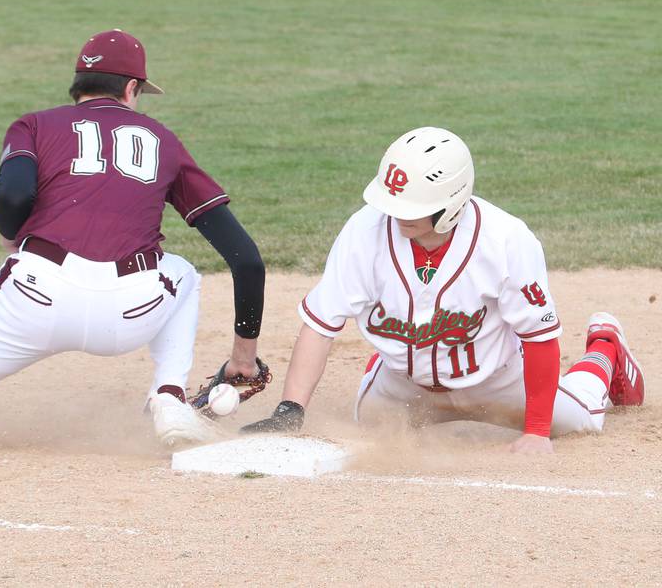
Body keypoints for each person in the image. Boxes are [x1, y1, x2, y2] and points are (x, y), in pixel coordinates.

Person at [0, 29, 265, 449]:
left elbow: (12, 194)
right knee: (182, 274)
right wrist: (243, 359)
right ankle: (168, 396)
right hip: (129, 312)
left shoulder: (34, 125)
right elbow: (247, 260)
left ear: (79, 84)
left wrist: (11, 236)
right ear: (131, 88)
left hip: (33, 299)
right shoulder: (162, 139)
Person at [242, 126, 644, 454]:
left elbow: (538, 336)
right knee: (371, 422)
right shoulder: (364, 232)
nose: (397, 216)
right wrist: (289, 410)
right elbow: (321, 322)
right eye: (392, 203)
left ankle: (606, 348)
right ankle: (387, 365)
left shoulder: (505, 240)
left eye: (411, 207)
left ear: (451, 202)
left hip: (497, 381)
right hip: (405, 388)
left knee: (580, 421)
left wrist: (537, 431)